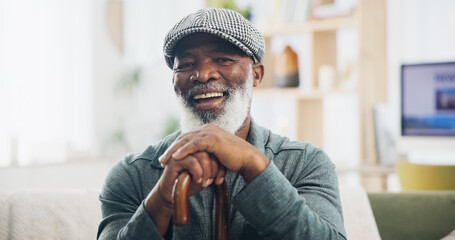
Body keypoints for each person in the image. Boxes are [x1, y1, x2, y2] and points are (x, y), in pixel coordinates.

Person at [97, 7, 346, 240]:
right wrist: (162, 199)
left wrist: (253, 164)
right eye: (185, 65)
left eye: (223, 59)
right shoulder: (131, 174)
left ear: (257, 75)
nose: (203, 74)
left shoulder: (305, 164)